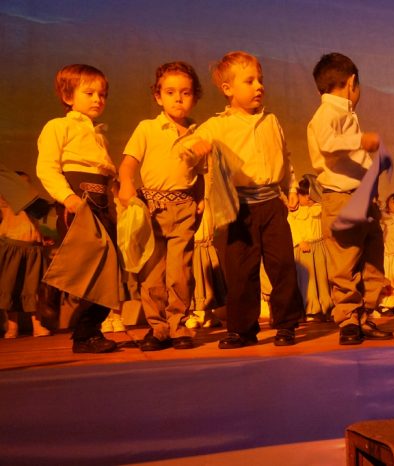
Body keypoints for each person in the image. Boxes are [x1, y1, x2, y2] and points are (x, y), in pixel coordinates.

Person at [195, 51, 303, 348]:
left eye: (260, 80)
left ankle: (286, 324)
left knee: (282, 265)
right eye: (249, 81)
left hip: (271, 204)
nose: (259, 86)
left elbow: (285, 157)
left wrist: (291, 188)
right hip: (237, 208)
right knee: (241, 271)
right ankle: (242, 329)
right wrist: (195, 147)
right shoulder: (217, 125)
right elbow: (191, 143)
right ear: (228, 89)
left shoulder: (271, 121)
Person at [307, 52, 394, 345]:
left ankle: (365, 316)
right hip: (341, 199)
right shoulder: (327, 113)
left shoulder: (346, 114)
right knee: (344, 263)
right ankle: (348, 319)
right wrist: (360, 140)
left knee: (372, 261)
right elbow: (327, 143)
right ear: (352, 82)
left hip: (362, 198)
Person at [119, 61, 206, 350]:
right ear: (158, 96)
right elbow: (128, 163)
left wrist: (202, 198)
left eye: (185, 92)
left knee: (180, 271)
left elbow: (201, 174)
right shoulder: (147, 128)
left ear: (195, 97)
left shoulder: (198, 135)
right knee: (153, 273)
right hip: (151, 209)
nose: (178, 98)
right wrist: (126, 183)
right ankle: (157, 327)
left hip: (184, 208)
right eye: (170, 92)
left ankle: (178, 325)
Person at [36, 64, 119, 353]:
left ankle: (87, 330)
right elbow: (46, 168)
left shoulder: (99, 135)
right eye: (89, 93)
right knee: (91, 269)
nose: (98, 99)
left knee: (108, 269)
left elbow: (106, 172)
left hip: (102, 205)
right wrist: (67, 197)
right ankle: (82, 330)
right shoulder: (58, 127)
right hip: (78, 204)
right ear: (68, 96)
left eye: (102, 94)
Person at [0, 171, 52, 338]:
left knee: (34, 288)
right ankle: (12, 327)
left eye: (27, 184)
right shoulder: (5, 200)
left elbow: (39, 218)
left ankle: (37, 326)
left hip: (33, 249)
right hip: (12, 247)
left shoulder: (34, 203)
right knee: (10, 287)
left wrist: (43, 237)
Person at [287, 177, 333, 321]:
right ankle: (310, 309)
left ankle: (326, 307)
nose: (307, 198)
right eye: (303, 195)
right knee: (308, 280)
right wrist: (300, 241)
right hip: (304, 249)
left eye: (309, 194)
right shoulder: (294, 212)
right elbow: (292, 228)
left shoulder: (319, 208)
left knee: (323, 279)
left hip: (320, 246)